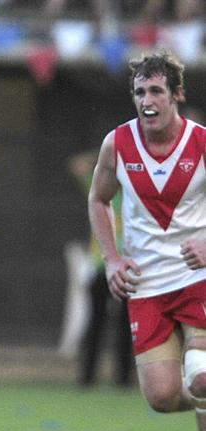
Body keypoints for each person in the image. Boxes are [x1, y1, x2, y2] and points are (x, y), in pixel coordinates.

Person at [88, 50, 206, 431]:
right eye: (140, 92)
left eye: (156, 90)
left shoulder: (202, 142)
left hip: (198, 279)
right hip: (147, 284)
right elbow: (99, 200)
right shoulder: (117, 144)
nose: (146, 101)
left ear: (177, 95)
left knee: (202, 375)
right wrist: (113, 259)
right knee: (161, 396)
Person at [68, 149, 134, 387]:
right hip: (100, 266)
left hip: (129, 267)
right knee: (95, 322)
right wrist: (107, 155)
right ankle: (86, 377)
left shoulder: (135, 195)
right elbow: (77, 164)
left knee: (127, 325)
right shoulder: (98, 190)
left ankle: (124, 379)